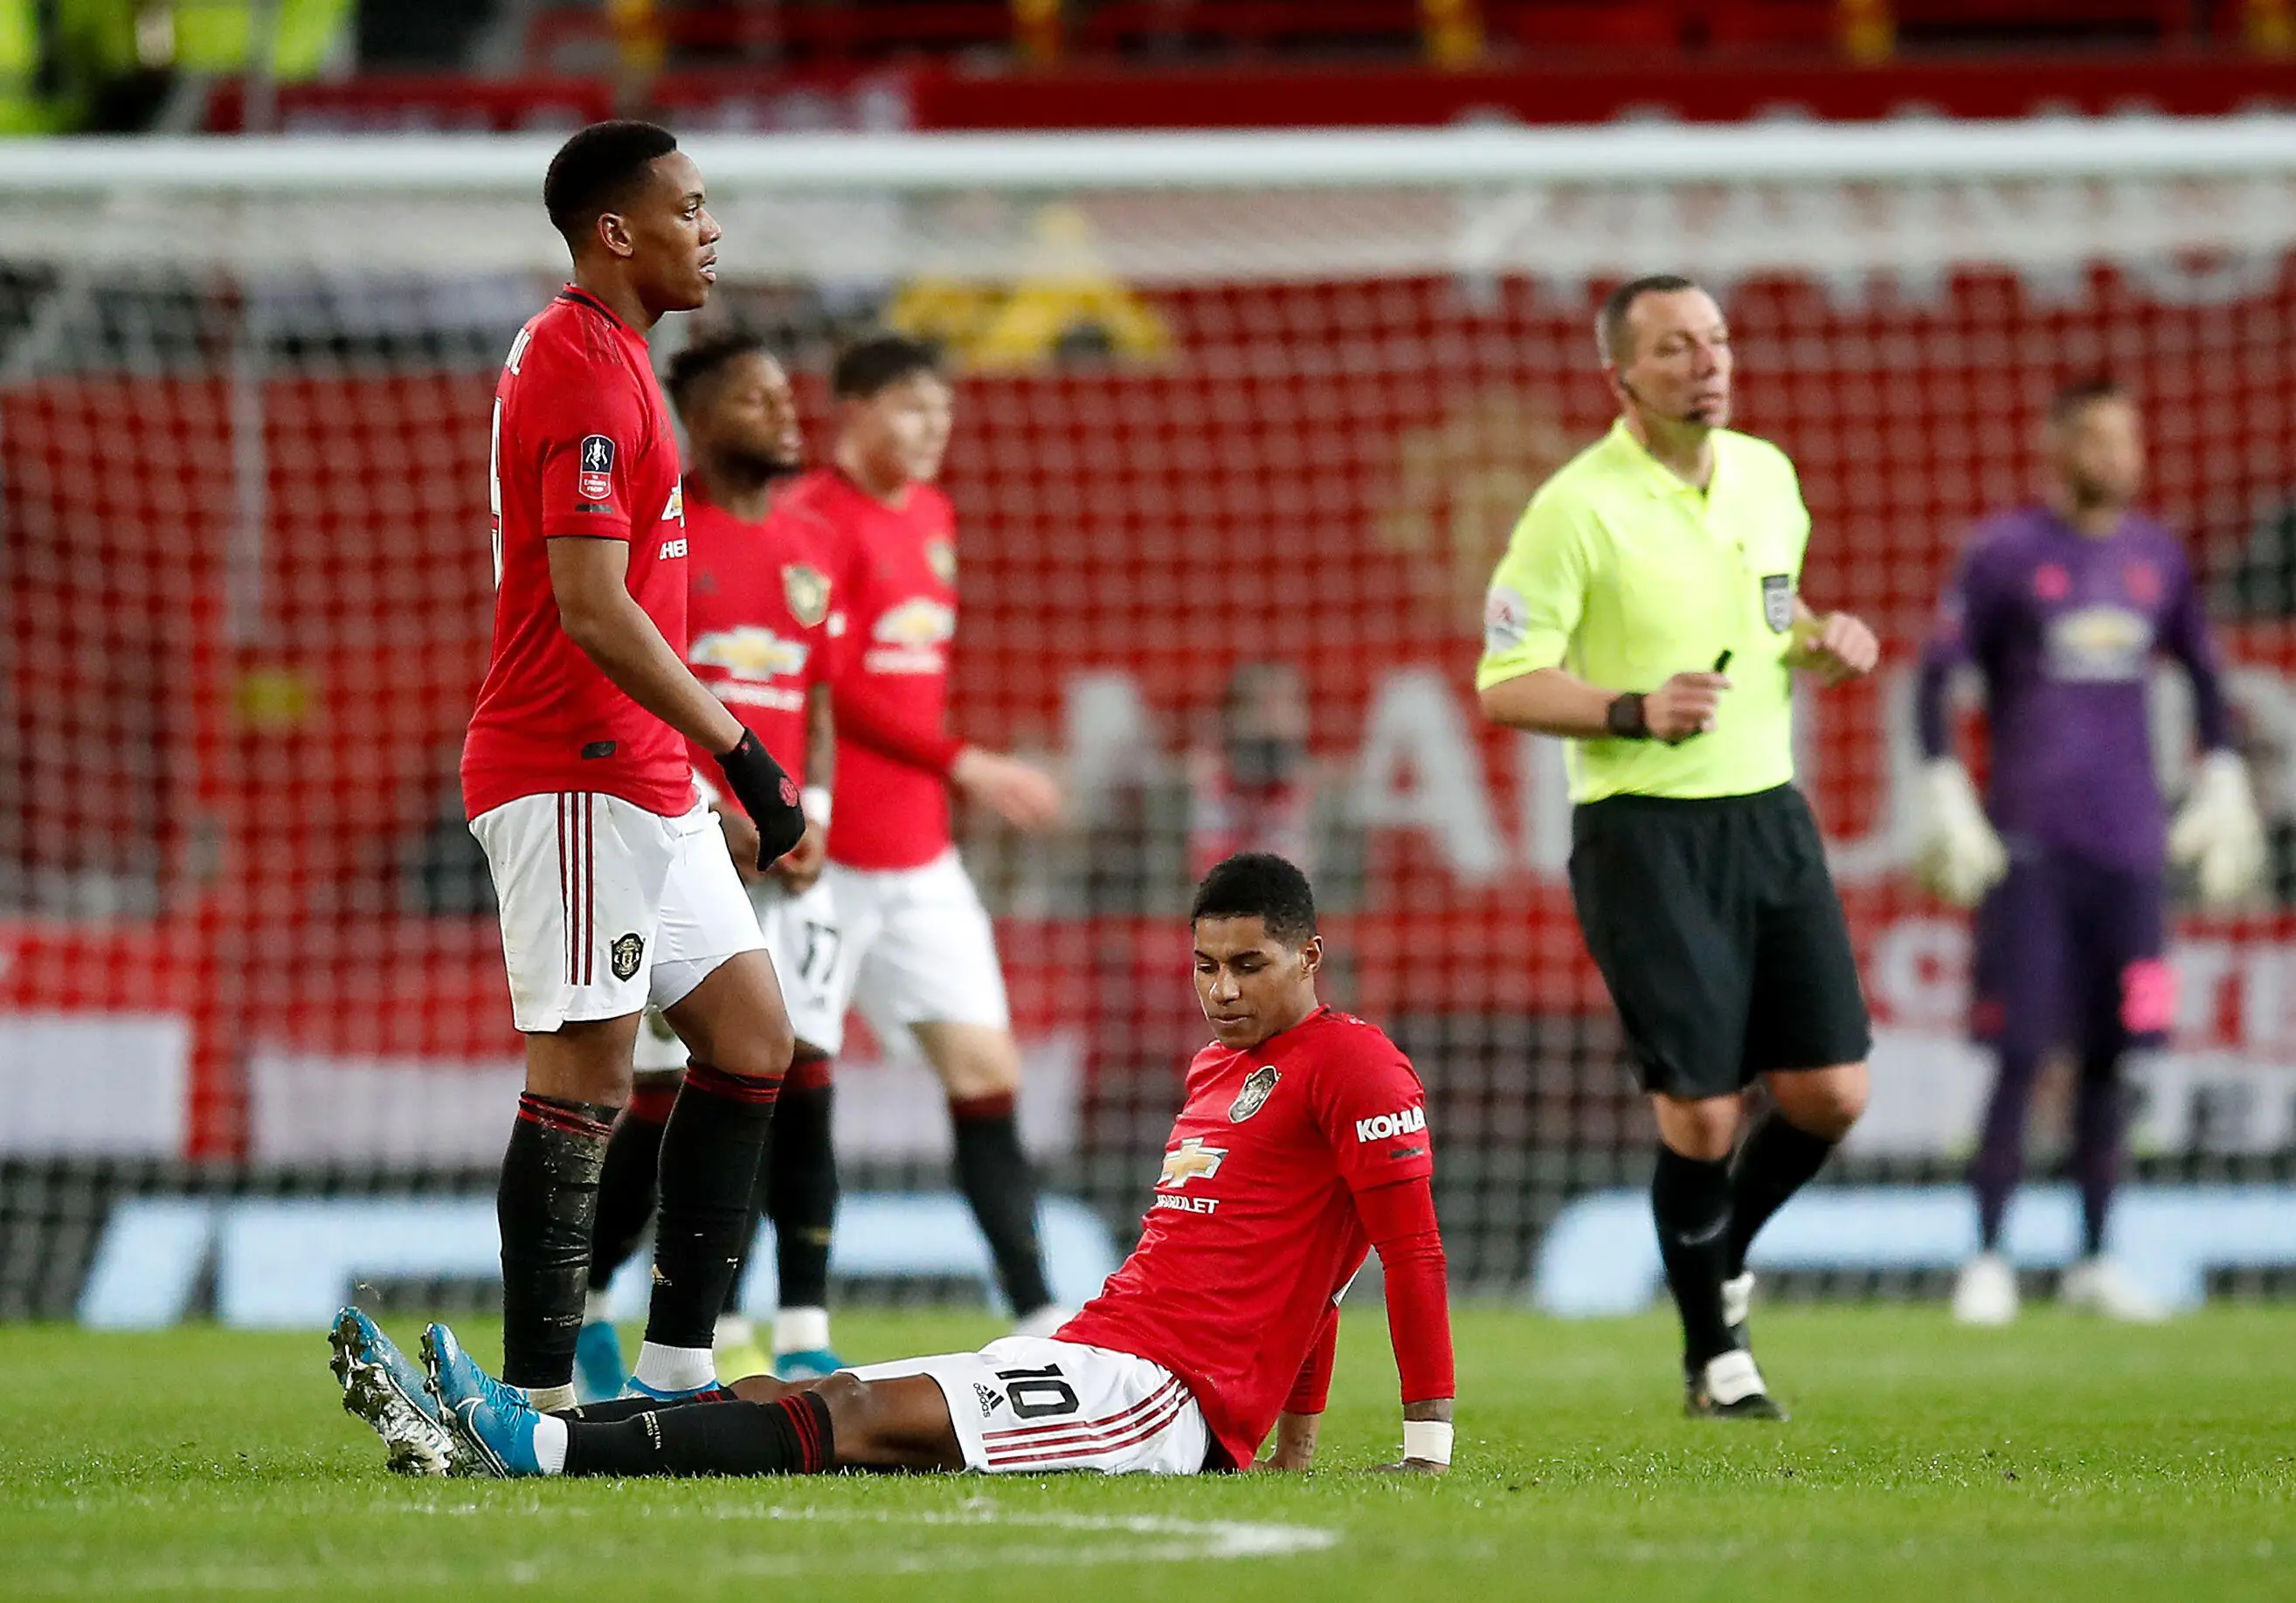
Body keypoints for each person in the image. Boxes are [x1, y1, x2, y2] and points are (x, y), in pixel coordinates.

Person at [330, 853, 1457, 1482]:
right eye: (1205, 963)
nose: (1221, 988)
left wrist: (1424, 1448)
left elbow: (1402, 1251)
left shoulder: (1355, 1063)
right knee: (813, 1390)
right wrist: (1297, 1444)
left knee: (857, 1409)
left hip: (1159, 1398)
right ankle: (509, 1424)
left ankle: (535, 1445)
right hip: (1095, 1350)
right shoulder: (1221, 1065)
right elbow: (1319, 1281)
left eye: (1248, 964)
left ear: (1312, 953)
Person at [1476, 274, 1879, 1420]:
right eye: (1673, 348)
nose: (1706, 361)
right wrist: (1630, 709)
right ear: (1622, 379)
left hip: (1769, 814)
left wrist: (1821, 640)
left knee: (1832, 1093)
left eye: (1715, 339)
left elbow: (1771, 615)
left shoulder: (1767, 473)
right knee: (1701, 1112)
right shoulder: (1573, 508)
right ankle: (1716, 1354)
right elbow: (1505, 682)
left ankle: (1717, 1250)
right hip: (1644, 831)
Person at [459, 121, 809, 1416]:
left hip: (641, 772)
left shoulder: (607, 355)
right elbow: (596, 607)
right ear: (618, 230)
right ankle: (535, 1398)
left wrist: (703, 767)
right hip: (571, 764)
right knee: (588, 1073)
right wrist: (747, 748)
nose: (710, 228)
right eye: (691, 206)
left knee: (751, 1035)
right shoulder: (584, 369)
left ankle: (675, 1370)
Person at [1913, 377, 2266, 1327]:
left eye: (2129, 440)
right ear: (2058, 444)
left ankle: (2095, 1258)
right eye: (2099, 439)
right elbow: (1935, 676)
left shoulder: (2158, 557)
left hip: (2132, 853)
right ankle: (1986, 1258)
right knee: (2020, 1052)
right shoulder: (2004, 554)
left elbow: (2204, 670)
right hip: (2029, 847)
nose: (2118, 458)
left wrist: (2224, 767)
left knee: (2119, 1057)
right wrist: (1945, 781)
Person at [573, 328, 851, 1400]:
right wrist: (707, 809)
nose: (784, 414)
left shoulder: (811, 540)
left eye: (789, 394)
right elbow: (634, 675)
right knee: (648, 1087)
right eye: (756, 397)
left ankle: (791, 1327)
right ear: (699, 410)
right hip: (677, 831)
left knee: (795, 1061)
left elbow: (815, 692)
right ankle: (595, 1313)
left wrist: (803, 809)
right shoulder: (662, 531)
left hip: (780, 847)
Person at [785, 335, 1068, 1332]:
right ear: (852, 410)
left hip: (918, 855)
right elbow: (834, 688)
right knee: (768, 1086)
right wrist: (967, 761)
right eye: (912, 408)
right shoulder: (811, 519)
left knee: (988, 1069)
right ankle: (748, 1320)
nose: (933, 428)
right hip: (818, 859)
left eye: (942, 411)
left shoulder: (936, 514)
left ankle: (1038, 1313)